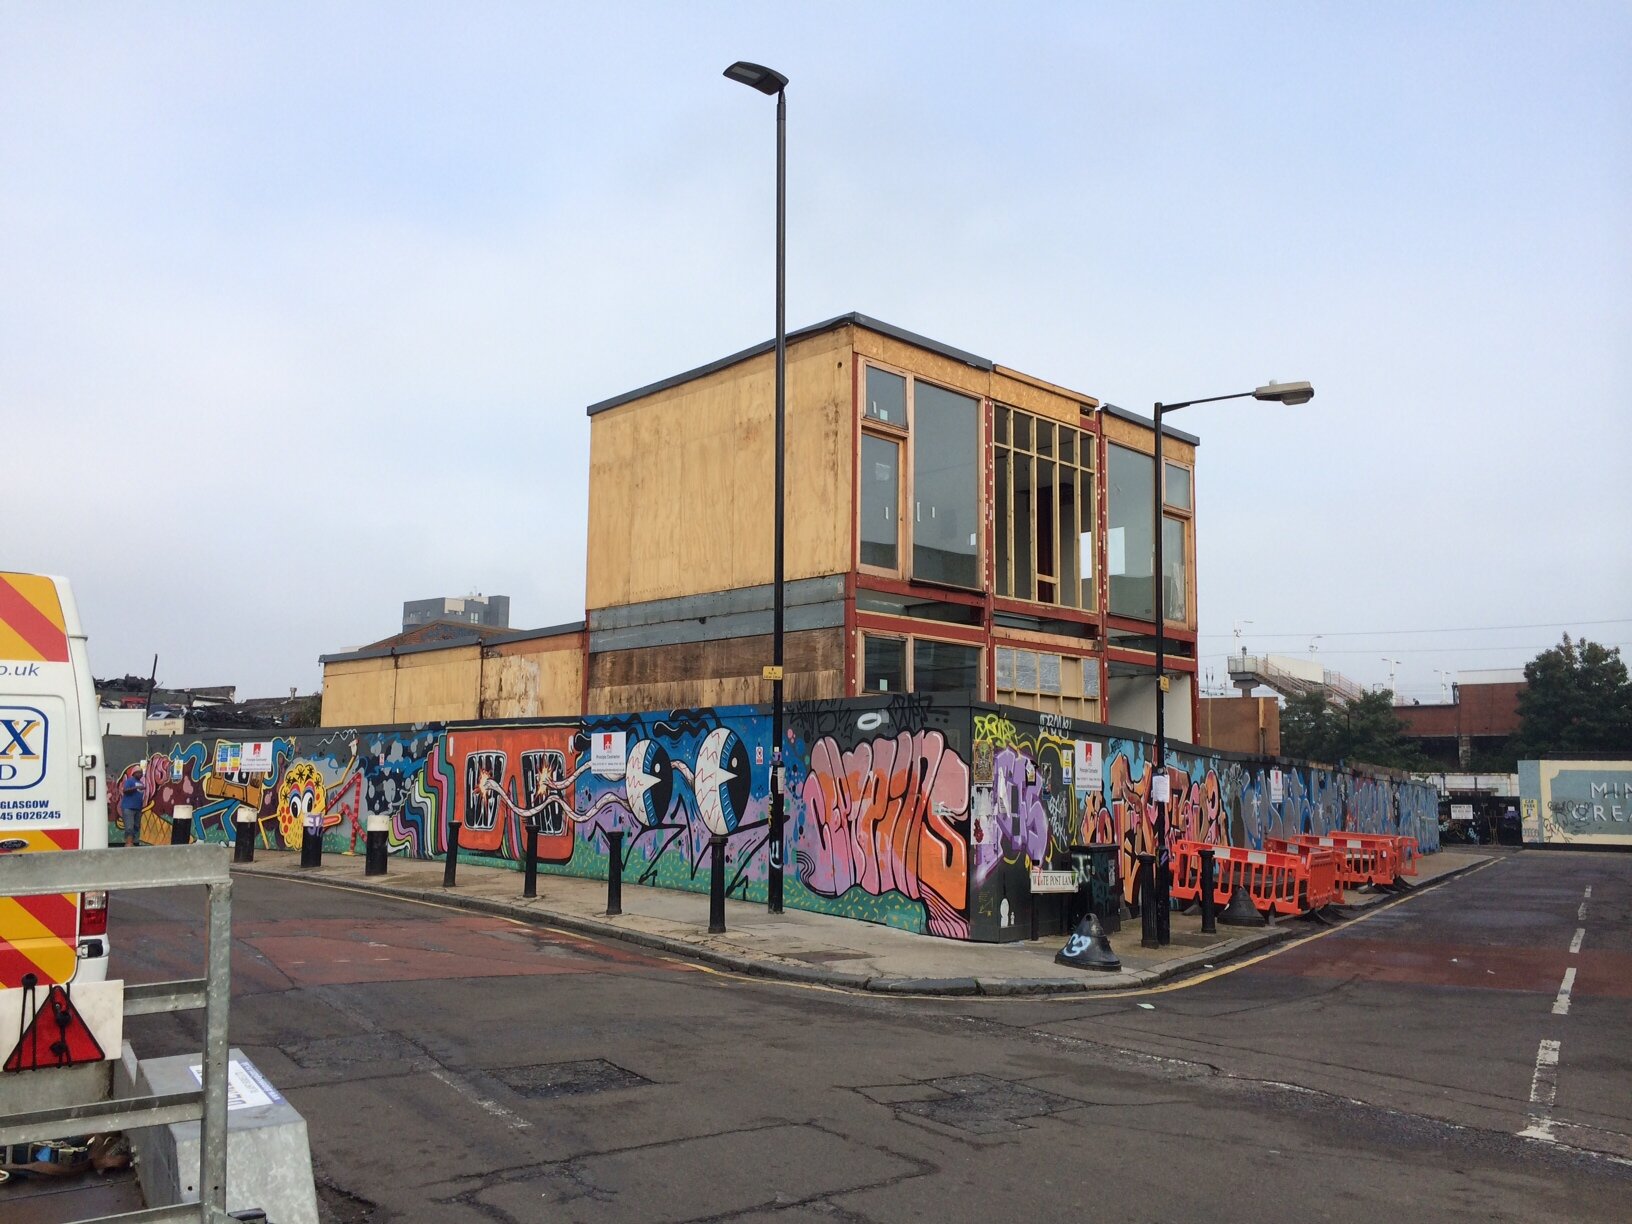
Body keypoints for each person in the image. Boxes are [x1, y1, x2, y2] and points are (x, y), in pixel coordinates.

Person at [118, 770, 145, 847]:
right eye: (139, 773)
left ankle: (131, 841)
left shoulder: (141, 783)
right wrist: (136, 787)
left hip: (138, 808)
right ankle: (128, 843)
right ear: (134, 773)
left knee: (136, 826)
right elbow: (125, 790)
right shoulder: (129, 781)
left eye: (141, 773)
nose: (141, 774)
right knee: (129, 826)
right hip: (128, 807)